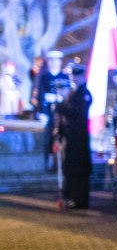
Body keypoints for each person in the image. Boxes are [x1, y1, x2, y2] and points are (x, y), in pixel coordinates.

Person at [55, 64, 92, 209]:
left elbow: (78, 113)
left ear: (81, 76)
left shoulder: (84, 93)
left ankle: (79, 199)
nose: (73, 78)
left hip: (79, 138)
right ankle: (72, 196)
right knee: (71, 168)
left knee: (79, 169)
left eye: (75, 76)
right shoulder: (74, 92)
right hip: (71, 137)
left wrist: (62, 107)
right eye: (72, 76)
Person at [33, 50, 66, 171]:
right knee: (48, 139)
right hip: (49, 114)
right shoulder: (44, 78)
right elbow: (40, 95)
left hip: (62, 114)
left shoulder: (64, 76)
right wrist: (41, 112)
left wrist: (58, 98)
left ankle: (62, 163)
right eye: (51, 61)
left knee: (63, 138)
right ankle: (49, 163)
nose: (54, 63)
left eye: (56, 61)